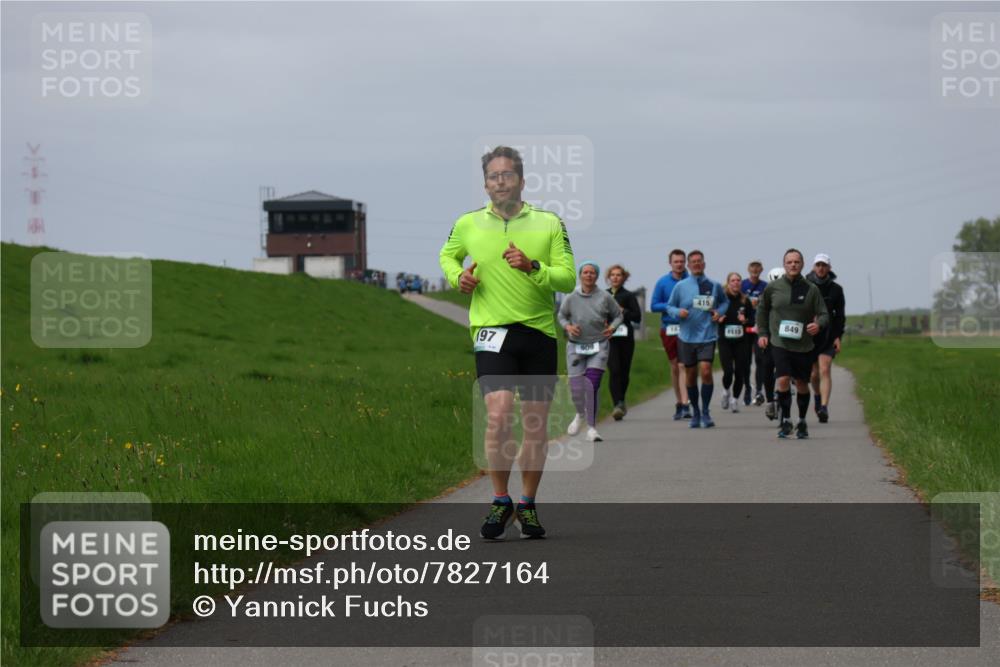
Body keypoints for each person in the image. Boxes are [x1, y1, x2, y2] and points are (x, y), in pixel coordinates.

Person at [439, 145, 576, 539]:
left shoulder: (548, 223)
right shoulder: (467, 223)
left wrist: (533, 267)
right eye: (493, 176)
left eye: (507, 175)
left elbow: (566, 277)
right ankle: (500, 500)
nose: (500, 182)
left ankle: (527, 504)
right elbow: (447, 257)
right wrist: (457, 278)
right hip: (491, 332)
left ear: (521, 180)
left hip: (537, 333)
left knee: (534, 426)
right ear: (486, 184)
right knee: (497, 416)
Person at [756, 249, 830, 439]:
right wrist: (763, 333)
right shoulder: (773, 288)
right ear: (784, 264)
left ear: (802, 265)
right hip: (779, 342)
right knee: (782, 379)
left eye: (796, 262)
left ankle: (802, 421)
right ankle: (786, 420)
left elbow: (823, 313)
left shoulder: (811, 289)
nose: (793, 265)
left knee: (802, 383)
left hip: (803, 344)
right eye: (789, 262)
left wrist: (818, 324)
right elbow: (762, 311)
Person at [559, 261, 624, 442]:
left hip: (599, 345)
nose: (589, 275)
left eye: (592, 273)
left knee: (592, 384)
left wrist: (612, 328)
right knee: (576, 389)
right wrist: (568, 327)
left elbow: (619, 315)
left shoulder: (604, 296)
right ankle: (580, 414)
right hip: (576, 346)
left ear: (596, 276)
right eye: (585, 272)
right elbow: (561, 315)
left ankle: (592, 428)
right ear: (580, 276)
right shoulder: (571, 297)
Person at [666, 250, 729, 428]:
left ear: (704, 264)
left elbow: (724, 302)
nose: (696, 264)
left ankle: (706, 411)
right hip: (686, 337)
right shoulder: (681, 286)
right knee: (691, 376)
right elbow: (670, 306)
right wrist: (678, 312)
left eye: (699, 261)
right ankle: (695, 411)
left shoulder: (714, 285)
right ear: (688, 265)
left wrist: (719, 312)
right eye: (693, 262)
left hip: (707, 335)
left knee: (706, 370)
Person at [650, 249, 691, 421]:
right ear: (670, 263)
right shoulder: (662, 282)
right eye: (676, 262)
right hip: (669, 328)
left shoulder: (692, 281)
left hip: (688, 328)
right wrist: (670, 307)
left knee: (685, 366)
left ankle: (686, 402)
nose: (679, 264)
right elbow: (653, 305)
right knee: (675, 366)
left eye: (682, 261)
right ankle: (679, 402)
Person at [807, 253, 846, 423]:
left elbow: (840, 316)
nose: (821, 268)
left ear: (829, 268)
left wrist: (838, 337)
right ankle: (817, 396)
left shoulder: (836, 290)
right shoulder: (806, 285)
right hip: (809, 335)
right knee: (813, 374)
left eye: (824, 265)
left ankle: (824, 407)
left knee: (824, 369)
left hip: (828, 335)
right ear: (814, 267)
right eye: (818, 265)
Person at [605, 264, 642, 421]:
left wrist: (624, 311)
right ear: (608, 278)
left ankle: (621, 400)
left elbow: (637, 317)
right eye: (612, 275)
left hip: (625, 338)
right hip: (609, 338)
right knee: (614, 370)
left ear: (624, 277)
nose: (615, 277)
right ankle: (617, 405)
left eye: (619, 275)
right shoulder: (602, 295)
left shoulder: (628, 296)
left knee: (624, 371)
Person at [718, 272, 751, 414]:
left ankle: (735, 400)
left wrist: (745, 320)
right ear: (728, 283)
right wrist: (718, 319)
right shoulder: (721, 300)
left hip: (741, 341)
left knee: (740, 373)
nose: (736, 282)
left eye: (738, 280)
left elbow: (753, 319)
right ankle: (726, 391)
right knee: (728, 371)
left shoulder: (745, 301)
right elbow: (712, 316)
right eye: (733, 280)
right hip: (725, 341)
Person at [740, 261, 768, 406]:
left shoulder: (765, 286)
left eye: (758, 268)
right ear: (748, 269)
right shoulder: (742, 285)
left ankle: (759, 390)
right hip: (745, 326)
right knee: (745, 361)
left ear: (761, 270)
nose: (755, 270)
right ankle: (747, 390)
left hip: (759, 327)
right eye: (753, 268)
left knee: (759, 359)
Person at [760, 266, 784, 420]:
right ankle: (769, 400)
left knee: (785, 372)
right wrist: (762, 334)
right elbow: (760, 316)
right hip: (769, 337)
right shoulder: (765, 298)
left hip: (787, 337)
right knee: (767, 366)